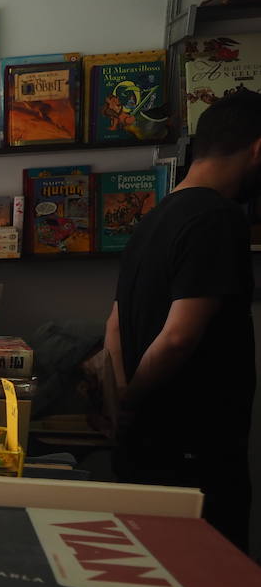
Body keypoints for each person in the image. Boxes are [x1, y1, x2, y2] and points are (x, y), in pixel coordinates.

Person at [105, 90, 261, 551]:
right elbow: (177, 336)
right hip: (195, 454)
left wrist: (120, 407)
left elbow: (115, 325)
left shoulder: (152, 218)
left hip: (141, 451)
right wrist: (132, 401)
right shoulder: (218, 218)